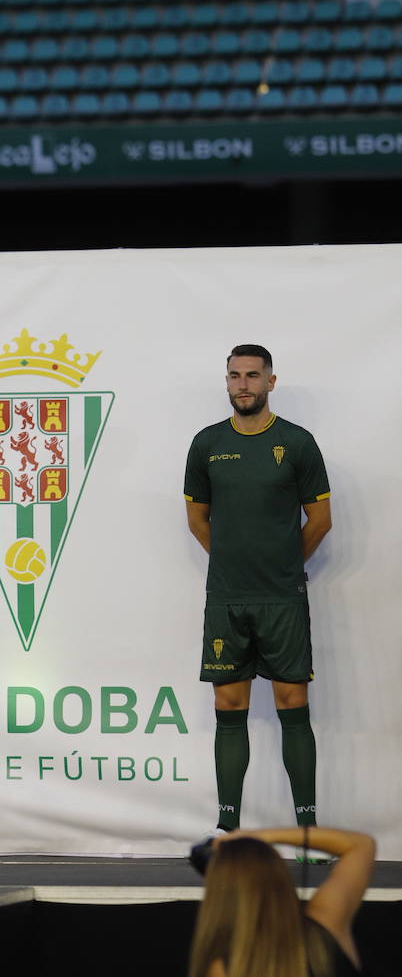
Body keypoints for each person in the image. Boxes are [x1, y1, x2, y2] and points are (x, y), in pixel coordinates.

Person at [184, 345, 332, 840]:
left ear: (271, 381)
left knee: (292, 703)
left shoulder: (297, 443)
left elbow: (321, 520)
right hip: (226, 598)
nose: (242, 384)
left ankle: (307, 831)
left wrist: (283, 566)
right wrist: (232, 561)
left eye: (252, 375)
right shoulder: (206, 444)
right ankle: (228, 833)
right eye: (234, 376)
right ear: (225, 382)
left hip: (282, 599)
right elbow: (197, 520)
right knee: (228, 708)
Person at [188, 825, 376, 976]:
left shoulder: (226, 965)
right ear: (281, 876)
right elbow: (360, 844)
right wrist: (260, 836)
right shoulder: (326, 925)